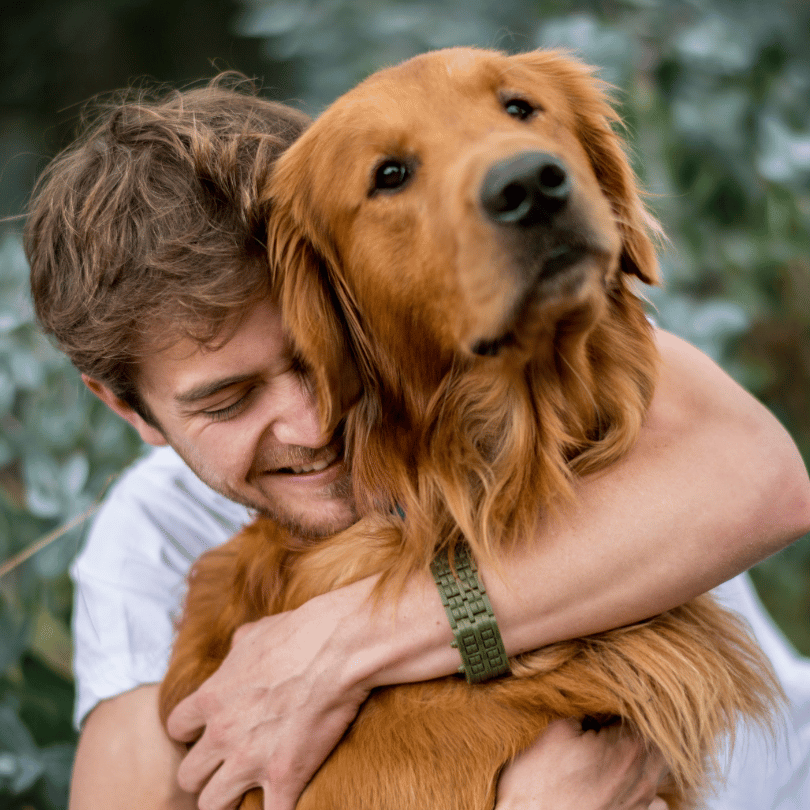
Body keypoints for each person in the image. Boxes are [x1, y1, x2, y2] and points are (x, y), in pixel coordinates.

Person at [24, 75, 810, 810]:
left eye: (322, 351)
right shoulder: (154, 541)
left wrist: (345, 641)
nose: (314, 422)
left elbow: (765, 483)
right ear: (131, 411)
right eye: (227, 402)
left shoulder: (526, 367)